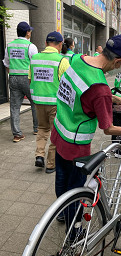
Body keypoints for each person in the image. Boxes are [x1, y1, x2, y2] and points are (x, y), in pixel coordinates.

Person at [50, 35, 121, 225]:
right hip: (76, 145)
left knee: (61, 178)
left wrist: (116, 99)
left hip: (59, 131)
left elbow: (83, 92)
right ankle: (74, 234)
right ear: (118, 61)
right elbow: (107, 128)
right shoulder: (100, 88)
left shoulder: (76, 59)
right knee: (76, 190)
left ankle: (59, 212)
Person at [29, 31, 70, 173]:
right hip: (55, 103)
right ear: (60, 45)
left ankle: (39, 155)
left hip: (38, 102)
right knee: (55, 132)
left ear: (46, 43)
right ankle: (51, 164)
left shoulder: (34, 58)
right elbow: (68, 83)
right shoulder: (62, 61)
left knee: (42, 128)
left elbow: (30, 79)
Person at [2, 21, 38, 142]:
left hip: (13, 77)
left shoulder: (10, 45)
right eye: (30, 31)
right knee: (35, 103)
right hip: (27, 79)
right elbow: (36, 64)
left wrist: (13, 74)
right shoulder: (30, 46)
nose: (31, 33)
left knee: (14, 106)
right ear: (27, 33)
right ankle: (36, 128)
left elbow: (6, 63)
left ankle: (17, 134)